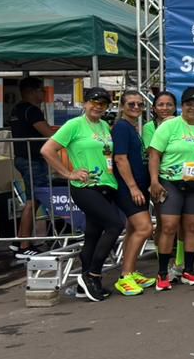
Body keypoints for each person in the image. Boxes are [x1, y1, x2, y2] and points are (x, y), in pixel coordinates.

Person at [40, 87, 124, 302]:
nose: (98, 106)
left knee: (93, 235)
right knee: (115, 225)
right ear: (85, 103)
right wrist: (68, 173)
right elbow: (47, 150)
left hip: (106, 185)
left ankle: (87, 284)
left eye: (103, 104)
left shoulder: (104, 125)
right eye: (94, 102)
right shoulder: (74, 125)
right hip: (85, 187)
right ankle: (92, 274)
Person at [148, 87, 194, 289]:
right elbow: (154, 154)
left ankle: (189, 270)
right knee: (168, 227)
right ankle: (162, 273)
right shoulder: (169, 126)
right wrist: (154, 181)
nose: (193, 108)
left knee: (192, 227)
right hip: (171, 182)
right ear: (182, 106)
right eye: (189, 104)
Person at [110, 90, 157, 296]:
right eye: (131, 104)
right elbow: (120, 158)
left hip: (138, 186)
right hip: (128, 187)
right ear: (122, 106)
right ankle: (125, 275)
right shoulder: (121, 127)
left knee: (133, 229)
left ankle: (130, 270)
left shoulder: (131, 127)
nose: (136, 108)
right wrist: (132, 187)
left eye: (140, 104)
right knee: (145, 228)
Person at [9, 76, 57, 258]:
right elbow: (48, 133)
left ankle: (21, 239)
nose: (43, 94)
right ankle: (24, 245)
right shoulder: (32, 111)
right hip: (32, 160)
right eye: (41, 91)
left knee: (33, 199)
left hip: (23, 158)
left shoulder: (17, 109)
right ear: (31, 91)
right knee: (32, 200)